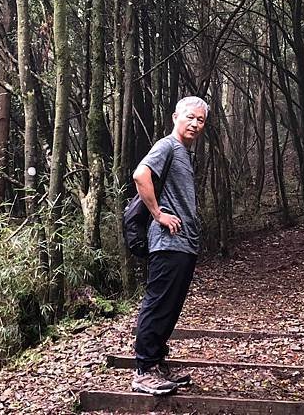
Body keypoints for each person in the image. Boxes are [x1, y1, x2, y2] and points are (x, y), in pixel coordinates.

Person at [131, 96, 208, 396]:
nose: (195, 124)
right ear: (176, 116)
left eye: (200, 120)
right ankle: (144, 369)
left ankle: (157, 364)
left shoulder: (184, 154)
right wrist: (158, 214)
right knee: (159, 302)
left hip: (184, 243)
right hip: (167, 242)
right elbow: (141, 174)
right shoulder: (166, 145)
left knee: (171, 306)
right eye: (190, 117)